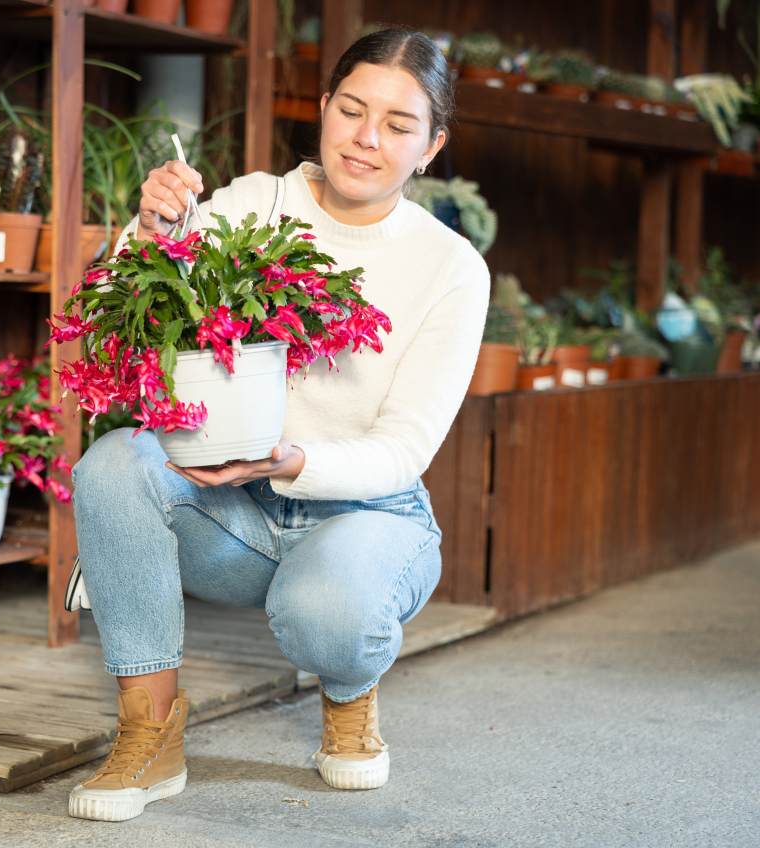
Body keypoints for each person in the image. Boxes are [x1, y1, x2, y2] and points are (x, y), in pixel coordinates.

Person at [66, 27, 490, 823]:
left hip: (368, 517)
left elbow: (404, 448)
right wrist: (154, 230)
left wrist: (290, 459)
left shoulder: (451, 268)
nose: (366, 138)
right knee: (116, 463)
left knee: (327, 610)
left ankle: (349, 690)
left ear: (431, 147)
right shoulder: (254, 202)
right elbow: (127, 311)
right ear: (323, 108)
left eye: (398, 125)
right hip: (238, 515)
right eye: (351, 110)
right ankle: (149, 732)